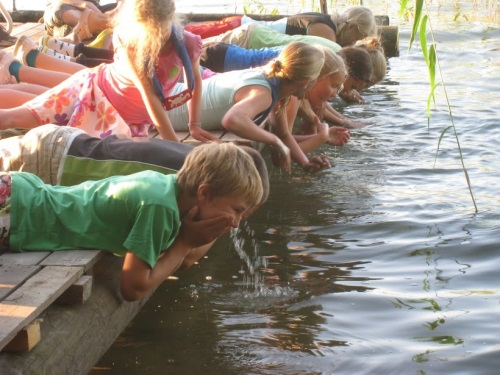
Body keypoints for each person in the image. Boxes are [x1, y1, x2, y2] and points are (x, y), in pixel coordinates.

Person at [2, 142, 266, 301]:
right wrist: (185, 243)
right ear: (205, 193)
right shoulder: (159, 208)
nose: (236, 223)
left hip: (21, 195)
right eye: (236, 210)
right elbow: (134, 288)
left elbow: (185, 259)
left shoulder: (167, 189)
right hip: (17, 211)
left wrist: (197, 238)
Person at [0, 0, 213, 142]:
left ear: (172, 20)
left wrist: (194, 124)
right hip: (92, 92)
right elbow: (149, 95)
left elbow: (195, 80)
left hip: (125, 123)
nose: (155, 39)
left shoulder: (188, 42)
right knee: (21, 117)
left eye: (160, 32)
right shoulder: (130, 39)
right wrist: (175, 148)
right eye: (149, 34)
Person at [154, 41, 330, 173]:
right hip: (162, 109)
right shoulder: (264, 93)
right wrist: (273, 140)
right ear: (305, 82)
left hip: (167, 95)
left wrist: (305, 163)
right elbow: (232, 120)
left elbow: (283, 133)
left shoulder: (274, 83)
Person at [185, 7, 377, 47]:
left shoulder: (326, 20)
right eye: (359, 36)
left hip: (240, 25)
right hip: (240, 30)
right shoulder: (327, 34)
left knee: (184, 35)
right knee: (179, 37)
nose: (355, 42)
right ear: (352, 27)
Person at [43, 0, 116, 42]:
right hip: (62, 5)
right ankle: (106, 25)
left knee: (123, 8)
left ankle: (89, 26)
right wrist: (85, 4)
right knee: (62, 11)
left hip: (95, 9)